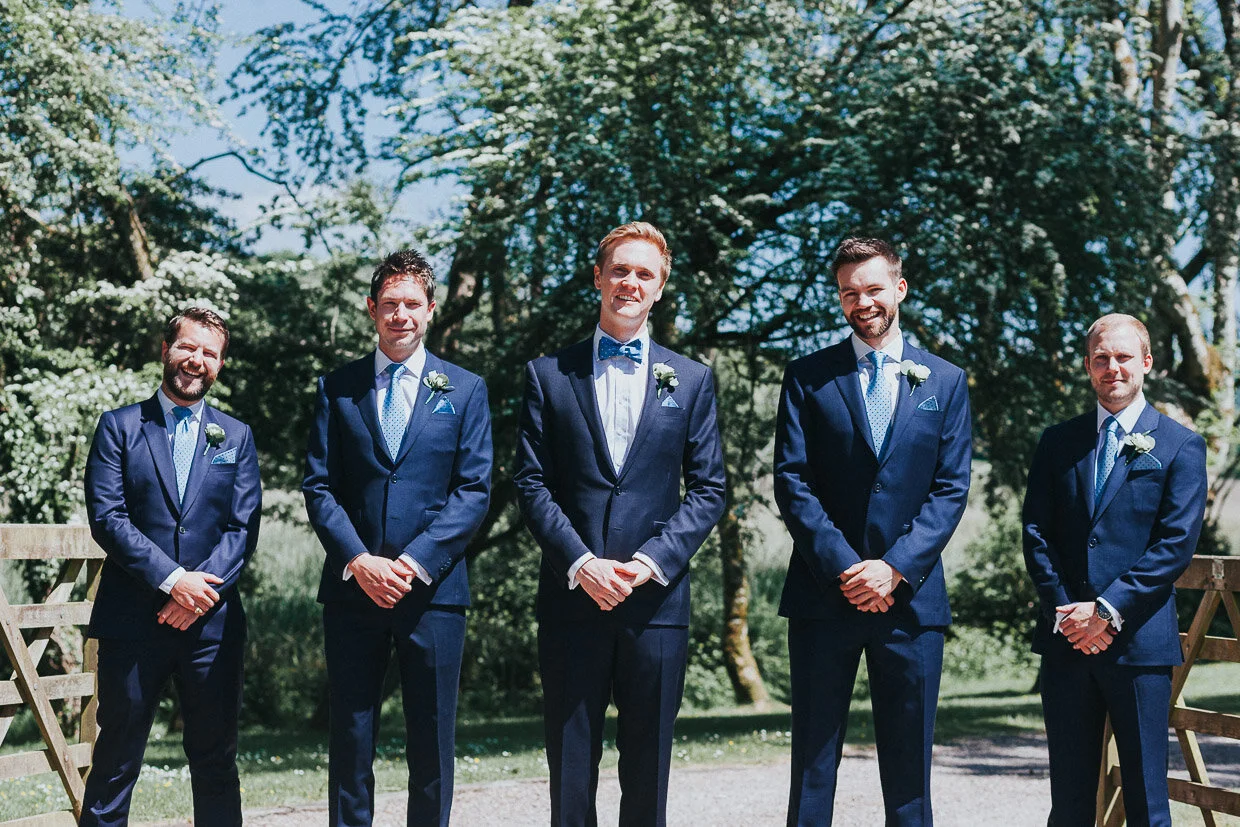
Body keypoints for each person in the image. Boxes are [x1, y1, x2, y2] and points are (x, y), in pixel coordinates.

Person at [515, 221, 726, 825]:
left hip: (655, 604)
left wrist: (649, 563)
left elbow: (709, 489)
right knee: (571, 771)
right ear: (598, 278)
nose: (630, 282)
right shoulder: (547, 376)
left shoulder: (691, 380)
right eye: (620, 270)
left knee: (648, 772)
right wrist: (581, 564)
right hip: (571, 601)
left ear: (661, 288)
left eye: (645, 274)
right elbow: (531, 482)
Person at [774, 237, 972, 825]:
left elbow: (950, 489)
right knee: (812, 762)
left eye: (873, 288)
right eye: (849, 292)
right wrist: (845, 567)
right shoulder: (808, 378)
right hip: (821, 596)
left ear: (900, 289)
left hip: (910, 603)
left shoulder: (945, 381)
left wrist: (893, 568)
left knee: (909, 769)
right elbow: (793, 481)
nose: (862, 302)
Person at [303, 249, 492, 826]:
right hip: (353, 589)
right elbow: (319, 486)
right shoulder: (337, 389)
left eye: (413, 304)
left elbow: (474, 490)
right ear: (371, 310)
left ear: (431, 310)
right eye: (390, 304)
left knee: (431, 738)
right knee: (352, 734)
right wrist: (360, 560)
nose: (401, 315)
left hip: (433, 594)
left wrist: (411, 562)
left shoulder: (464, 389)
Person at [1023, 313, 1206, 826]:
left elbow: (1174, 545)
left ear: (1146, 362)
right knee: (1071, 799)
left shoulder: (1179, 446)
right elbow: (1036, 533)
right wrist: (1069, 614)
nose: (1112, 368)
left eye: (1123, 357)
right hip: (1066, 640)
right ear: (1087, 366)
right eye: (1101, 358)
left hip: (1139, 645)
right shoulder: (1057, 443)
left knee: (1148, 798)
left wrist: (1106, 610)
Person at [82, 307, 261, 827]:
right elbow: (108, 518)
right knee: (115, 760)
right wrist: (172, 580)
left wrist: (198, 593)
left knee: (215, 761)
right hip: (133, 622)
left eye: (209, 353)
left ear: (220, 365)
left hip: (212, 627)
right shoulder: (119, 427)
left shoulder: (237, 437)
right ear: (166, 350)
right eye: (187, 347)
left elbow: (242, 528)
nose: (196, 360)